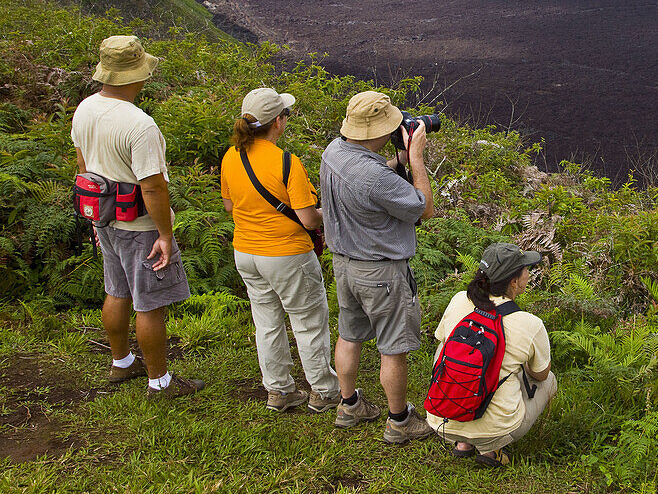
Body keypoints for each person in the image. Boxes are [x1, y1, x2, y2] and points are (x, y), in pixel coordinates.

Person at [70, 35, 203, 398]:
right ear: (135, 76)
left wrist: (98, 216)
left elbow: (84, 166)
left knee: (116, 290)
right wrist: (165, 234)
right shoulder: (140, 125)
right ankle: (159, 382)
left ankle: (121, 362)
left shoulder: (85, 108)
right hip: (139, 224)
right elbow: (154, 188)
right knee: (149, 302)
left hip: (104, 217)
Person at [319, 91, 435, 443]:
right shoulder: (374, 177)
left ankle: (349, 404)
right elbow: (424, 208)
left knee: (349, 335)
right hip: (381, 273)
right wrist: (415, 159)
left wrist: (396, 159)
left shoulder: (333, 152)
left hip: (345, 265)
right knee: (393, 348)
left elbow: (371, 180)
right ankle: (400, 421)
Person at [219, 87, 341, 413]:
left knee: (267, 323)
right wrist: (328, 214)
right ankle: (324, 391)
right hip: (287, 255)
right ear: (278, 123)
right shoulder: (287, 162)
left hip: (246, 252)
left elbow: (230, 206)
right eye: (285, 114)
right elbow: (308, 218)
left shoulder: (231, 156)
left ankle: (279, 390)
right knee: (308, 322)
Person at [426, 242, 557, 467]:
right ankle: (490, 449)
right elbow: (540, 375)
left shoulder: (459, 299)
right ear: (514, 282)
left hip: (441, 420)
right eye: (526, 269)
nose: (529, 273)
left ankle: (462, 443)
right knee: (549, 380)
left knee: (445, 346)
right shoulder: (530, 324)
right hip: (497, 430)